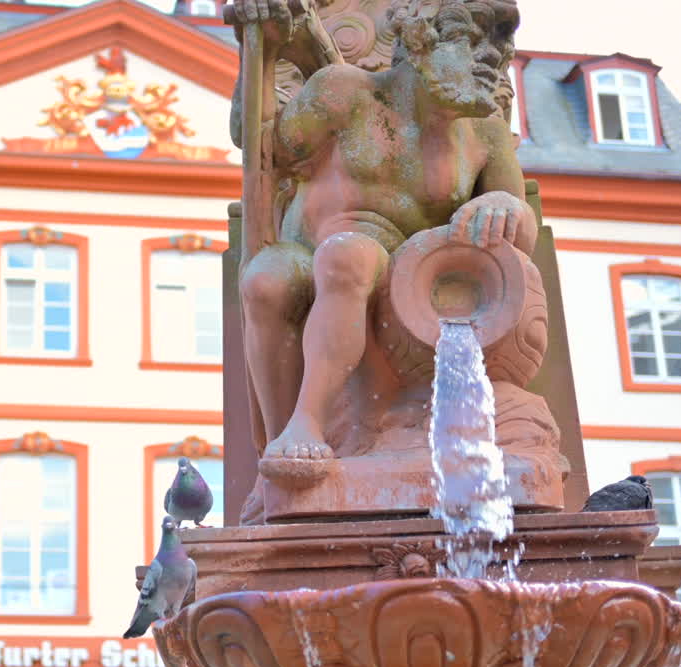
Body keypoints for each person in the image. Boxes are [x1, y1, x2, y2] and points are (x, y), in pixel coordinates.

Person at [229, 0, 539, 463]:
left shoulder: (485, 135)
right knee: (266, 279)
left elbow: (524, 237)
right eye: (471, 44)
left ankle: (308, 422)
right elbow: (262, 148)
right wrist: (261, 54)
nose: (489, 62)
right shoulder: (346, 92)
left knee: (349, 255)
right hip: (308, 249)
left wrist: (504, 203)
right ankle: (281, 442)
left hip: (409, 273)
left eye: (498, 51)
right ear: (418, 41)